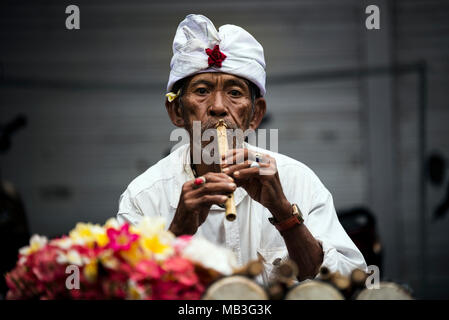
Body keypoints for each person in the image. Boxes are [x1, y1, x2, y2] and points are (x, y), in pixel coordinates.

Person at [117, 14, 366, 283]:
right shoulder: (143, 197)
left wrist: (284, 214)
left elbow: (352, 281)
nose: (219, 107)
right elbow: (123, 288)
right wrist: (176, 233)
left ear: (255, 115)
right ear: (177, 111)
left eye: (235, 93)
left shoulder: (297, 180)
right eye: (202, 91)